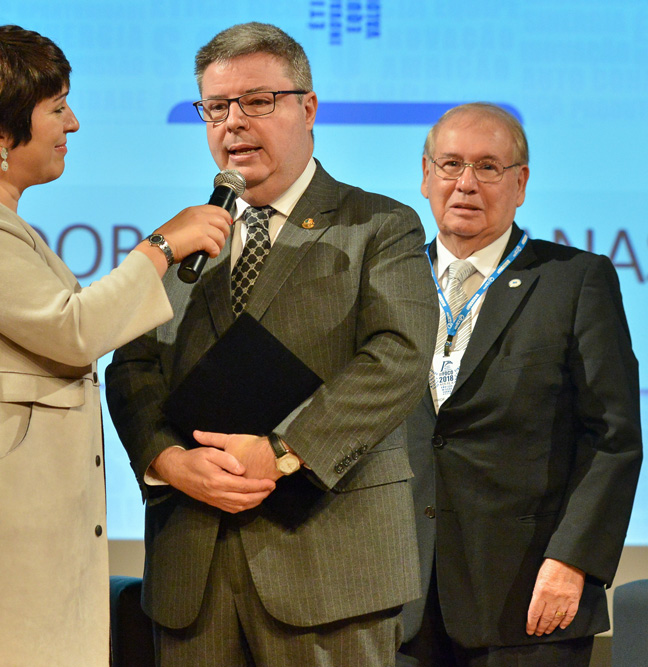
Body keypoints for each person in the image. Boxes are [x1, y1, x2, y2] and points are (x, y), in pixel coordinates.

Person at [0, 25, 231, 667]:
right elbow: (75, 330)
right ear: (1, 134)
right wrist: (163, 245)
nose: (75, 123)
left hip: (0, 528)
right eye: (57, 108)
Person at [105, 22, 437, 666]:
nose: (233, 123)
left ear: (307, 107)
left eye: (257, 101)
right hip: (192, 571)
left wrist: (285, 452)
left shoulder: (378, 224)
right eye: (216, 107)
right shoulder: (179, 240)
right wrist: (167, 461)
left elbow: (398, 356)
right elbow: (133, 368)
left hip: (329, 565)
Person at [397, 103, 642, 666]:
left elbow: (612, 437)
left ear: (520, 183)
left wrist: (573, 561)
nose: (465, 183)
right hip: (399, 600)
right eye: (451, 164)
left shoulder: (574, 279)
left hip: (528, 598)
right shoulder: (390, 278)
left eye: (487, 166)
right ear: (426, 175)